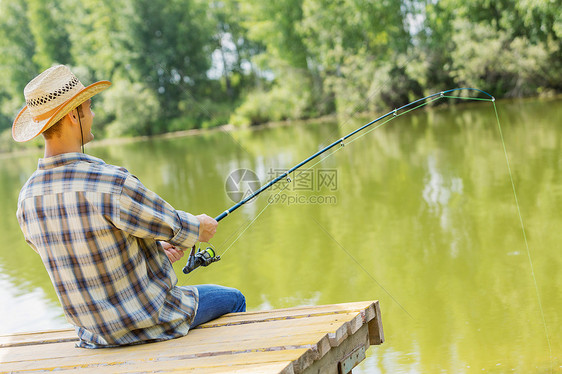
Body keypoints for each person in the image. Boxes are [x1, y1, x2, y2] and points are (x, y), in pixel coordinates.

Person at [13, 65, 245, 348]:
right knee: (234, 298)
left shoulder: (26, 199)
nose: (94, 114)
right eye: (89, 107)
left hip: (95, 336)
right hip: (154, 319)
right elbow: (177, 226)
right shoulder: (110, 182)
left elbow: (81, 254)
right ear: (74, 115)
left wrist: (151, 252)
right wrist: (202, 227)